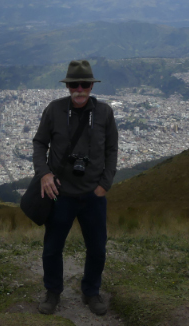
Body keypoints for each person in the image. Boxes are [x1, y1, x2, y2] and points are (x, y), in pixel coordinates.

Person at [32, 59, 118, 316]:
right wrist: (44, 174)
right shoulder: (54, 110)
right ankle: (53, 292)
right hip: (60, 193)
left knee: (97, 249)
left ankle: (91, 292)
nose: (79, 90)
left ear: (92, 86)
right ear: (67, 86)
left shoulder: (104, 113)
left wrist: (105, 184)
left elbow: (112, 149)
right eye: (74, 85)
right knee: (52, 248)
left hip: (93, 194)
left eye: (84, 84)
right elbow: (39, 143)